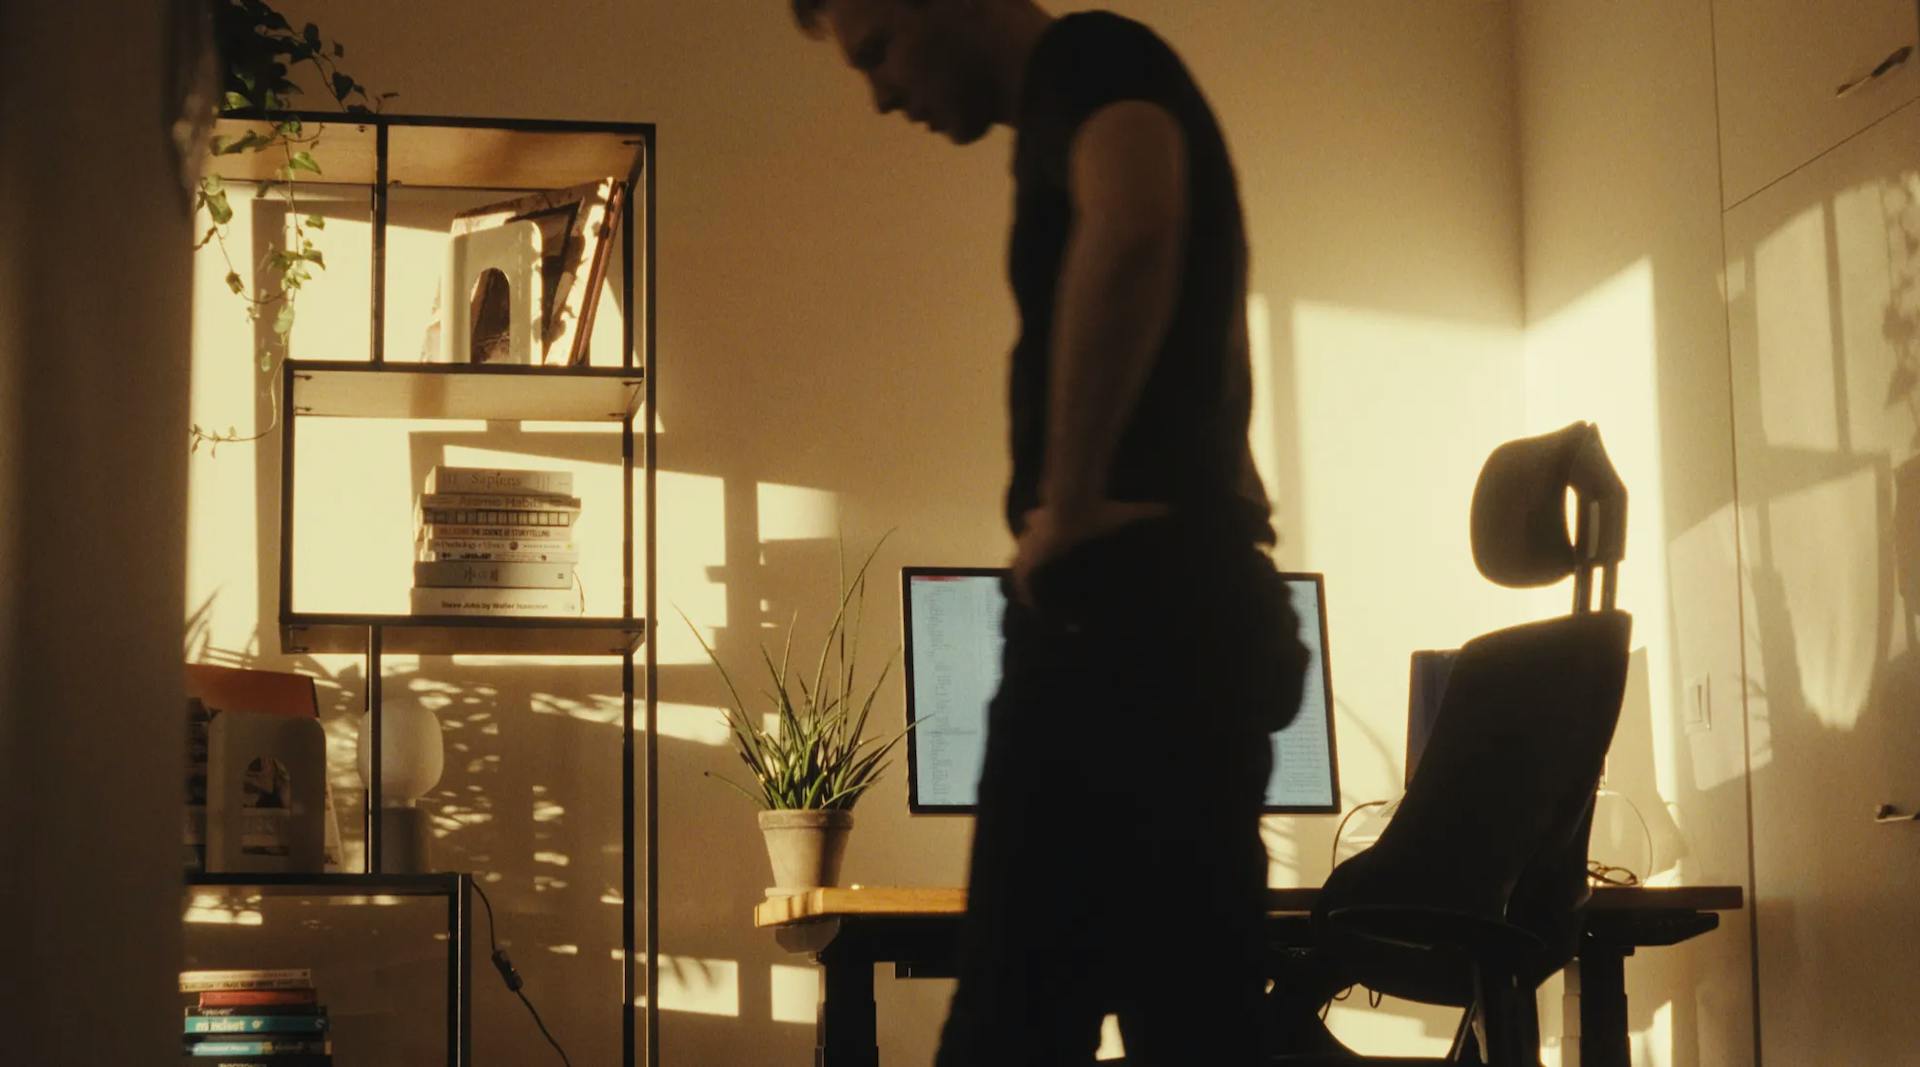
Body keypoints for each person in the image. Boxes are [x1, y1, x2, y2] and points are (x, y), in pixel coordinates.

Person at [788, 2, 1310, 1063]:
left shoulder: (1092, 58)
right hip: (1178, 616)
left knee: (1014, 1025)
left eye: (880, 49)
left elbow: (1137, 219)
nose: (884, 93)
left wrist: (1066, 502)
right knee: (1189, 1016)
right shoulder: (1084, 90)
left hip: (1125, 623)